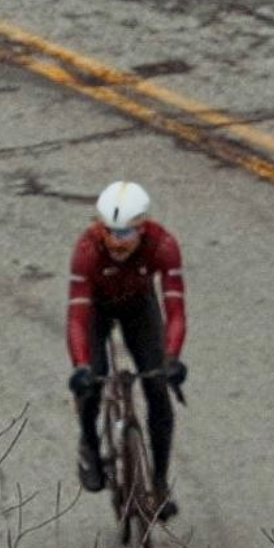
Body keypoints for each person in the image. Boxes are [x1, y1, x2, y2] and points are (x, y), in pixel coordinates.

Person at [67, 178, 187, 513]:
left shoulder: (163, 245)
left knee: (158, 389)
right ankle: (89, 445)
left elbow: (175, 310)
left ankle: (159, 484)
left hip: (138, 304)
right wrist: (81, 367)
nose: (117, 242)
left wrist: (173, 358)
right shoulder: (87, 251)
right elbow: (76, 318)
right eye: (109, 231)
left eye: (125, 233)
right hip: (96, 309)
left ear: (142, 227)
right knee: (92, 381)